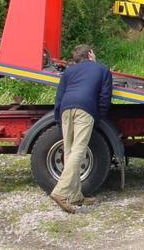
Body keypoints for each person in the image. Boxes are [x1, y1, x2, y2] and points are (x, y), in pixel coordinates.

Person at [49, 45, 113, 214]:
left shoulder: (69, 72)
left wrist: (58, 117)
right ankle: (60, 192)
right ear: (90, 54)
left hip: (65, 108)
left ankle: (75, 196)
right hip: (85, 109)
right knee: (79, 150)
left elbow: (59, 96)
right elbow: (105, 97)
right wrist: (98, 117)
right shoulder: (102, 69)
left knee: (69, 151)